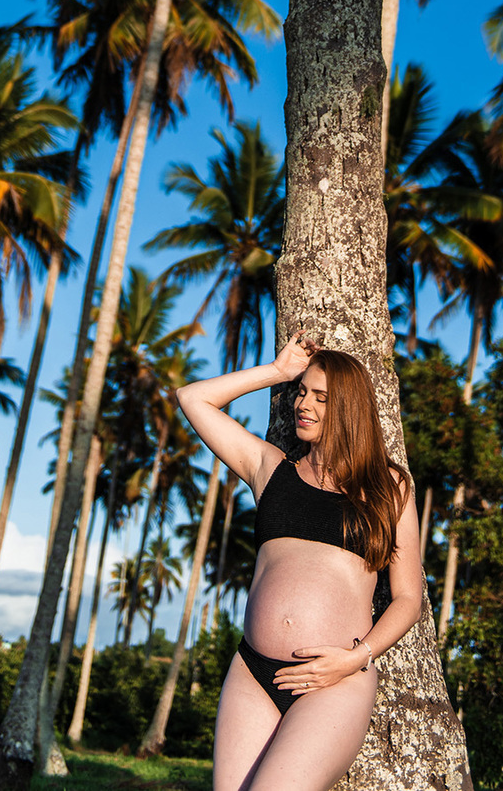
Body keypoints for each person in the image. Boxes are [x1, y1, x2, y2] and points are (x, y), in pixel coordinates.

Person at [177, 331, 425, 791]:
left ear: (349, 407)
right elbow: (192, 399)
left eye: (321, 397)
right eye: (302, 392)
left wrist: (356, 659)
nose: (302, 404)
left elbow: (409, 598)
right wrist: (277, 372)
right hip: (252, 673)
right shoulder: (271, 469)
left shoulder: (389, 487)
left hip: (332, 681)